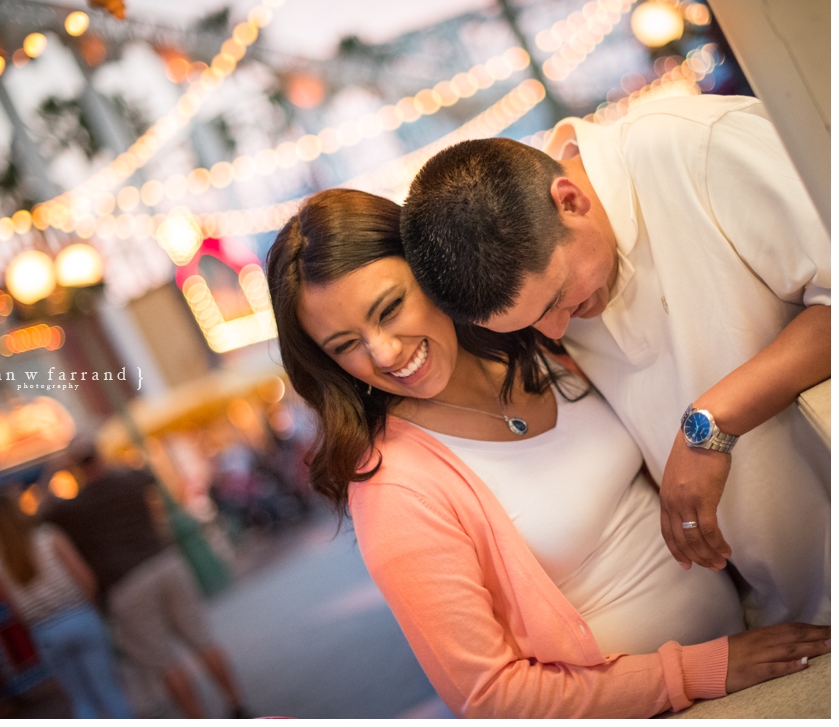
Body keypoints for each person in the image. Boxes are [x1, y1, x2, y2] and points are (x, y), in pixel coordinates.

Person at [265, 188, 829, 718]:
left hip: (758, 634)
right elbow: (491, 695)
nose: (384, 353)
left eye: (390, 309)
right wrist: (697, 671)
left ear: (431, 274)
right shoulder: (394, 487)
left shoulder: (536, 341)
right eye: (346, 346)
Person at [399, 94, 830, 630]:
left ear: (571, 201)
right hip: (787, 610)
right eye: (531, 323)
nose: (557, 330)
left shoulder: (694, 146)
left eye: (558, 299)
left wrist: (711, 422)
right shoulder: (552, 289)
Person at [43, 445, 252, 719]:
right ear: (100, 457)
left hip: (127, 584)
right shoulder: (129, 480)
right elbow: (146, 475)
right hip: (165, 564)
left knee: (165, 663)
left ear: (76, 468)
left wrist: (52, 471)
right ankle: (238, 706)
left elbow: (44, 513)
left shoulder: (76, 507)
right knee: (203, 641)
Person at [0, 490, 135, 719]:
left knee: (82, 701)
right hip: (78, 615)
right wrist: (91, 609)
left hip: (45, 631)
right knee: (110, 691)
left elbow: (14, 608)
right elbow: (86, 578)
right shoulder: (49, 537)